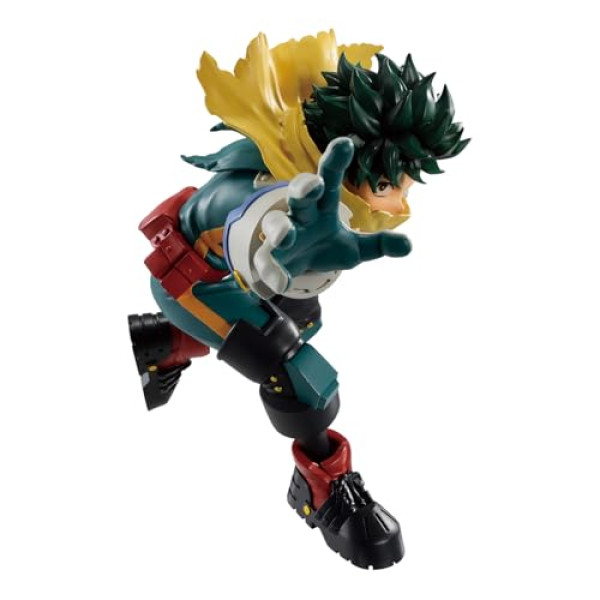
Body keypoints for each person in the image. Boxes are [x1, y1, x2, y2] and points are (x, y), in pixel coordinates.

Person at [129, 31, 469, 569]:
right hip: (189, 279)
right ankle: (324, 487)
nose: (399, 204)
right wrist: (279, 246)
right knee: (300, 378)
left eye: (405, 185)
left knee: (302, 320)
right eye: (388, 183)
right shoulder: (272, 194)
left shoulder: (295, 173)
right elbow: (253, 225)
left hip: (220, 274)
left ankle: (163, 345)